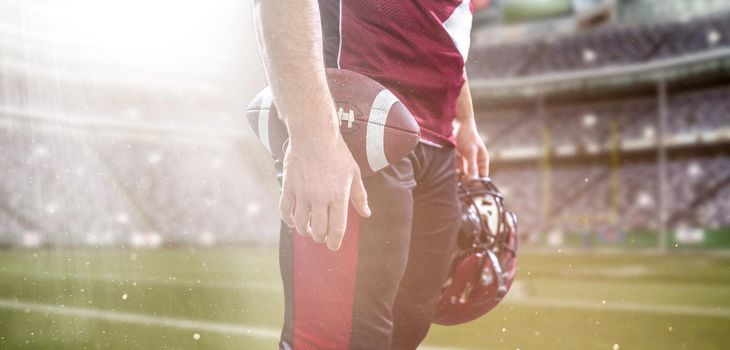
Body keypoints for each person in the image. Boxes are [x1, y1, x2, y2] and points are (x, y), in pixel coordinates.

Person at [253, 1, 489, 349]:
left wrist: (464, 119)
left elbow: (445, 21)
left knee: (406, 330)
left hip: (437, 136)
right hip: (359, 115)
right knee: (340, 340)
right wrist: (313, 136)